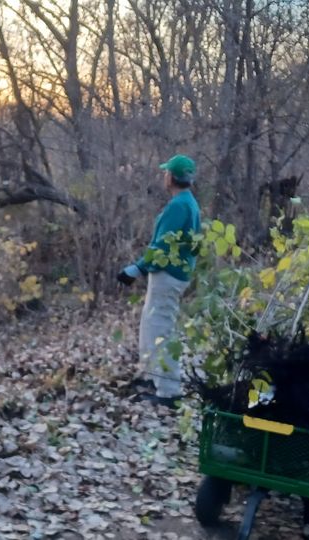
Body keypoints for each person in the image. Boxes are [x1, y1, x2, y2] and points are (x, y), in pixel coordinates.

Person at [118, 154, 201, 408]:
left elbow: (163, 246)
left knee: (160, 330)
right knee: (150, 325)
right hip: (173, 274)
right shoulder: (188, 202)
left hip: (169, 276)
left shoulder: (179, 206)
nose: (164, 176)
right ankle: (153, 378)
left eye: (166, 172)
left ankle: (169, 391)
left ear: (172, 177)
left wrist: (136, 269)